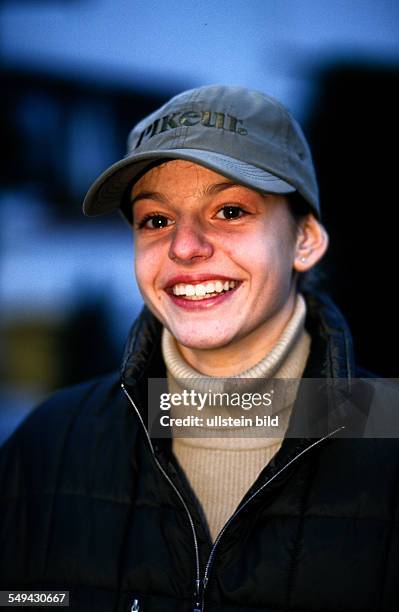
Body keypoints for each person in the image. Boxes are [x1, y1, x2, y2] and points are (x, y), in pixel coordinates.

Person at [1, 84, 398, 612]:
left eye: (230, 210)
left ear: (305, 240)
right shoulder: (49, 444)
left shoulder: (388, 435)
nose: (185, 247)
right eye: (156, 220)